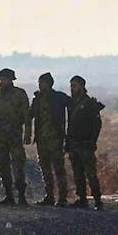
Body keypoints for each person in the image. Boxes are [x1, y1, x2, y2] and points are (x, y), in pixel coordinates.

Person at [28, 72, 71, 206]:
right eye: (39, 83)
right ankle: (49, 196)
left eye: (42, 83)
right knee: (45, 169)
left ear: (49, 84)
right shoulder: (37, 99)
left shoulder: (59, 98)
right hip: (42, 139)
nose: (40, 85)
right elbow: (30, 115)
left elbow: (74, 104)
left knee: (58, 169)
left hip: (55, 139)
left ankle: (63, 198)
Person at [0, 68, 30, 205]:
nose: (2, 82)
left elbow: (27, 115)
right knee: (3, 166)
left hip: (15, 137)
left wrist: (28, 133)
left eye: (5, 79)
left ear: (11, 80)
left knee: (18, 166)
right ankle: (9, 195)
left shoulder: (19, 94)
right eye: (0, 79)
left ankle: (21, 196)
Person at [66, 75, 105, 210]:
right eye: (71, 86)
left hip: (85, 144)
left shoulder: (89, 103)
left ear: (82, 86)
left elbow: (97, 124)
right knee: (78, 174)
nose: (72, 88)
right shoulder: (73, 103)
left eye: (74, 86)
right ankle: (82, 199)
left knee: (91, 174)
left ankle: (98, 200)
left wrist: (92, 141)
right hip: (74, 144)